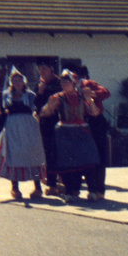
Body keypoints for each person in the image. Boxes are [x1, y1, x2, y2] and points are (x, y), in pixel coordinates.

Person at [40, 69, 102, 203]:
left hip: (82, 132)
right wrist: (49, 105)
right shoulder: (58, 97)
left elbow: (95, 112)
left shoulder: (82, 96)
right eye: (62, 82)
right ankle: (71, 190)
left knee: (89, 160)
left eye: (67, 81)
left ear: (73, 83)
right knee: (67, 163)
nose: (64, 84)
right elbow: (44, 113)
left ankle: (92, 190)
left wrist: (89, 100)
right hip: (65, 132)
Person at [0, 67, 45, 201]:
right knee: (13, 154)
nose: (17, 83)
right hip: (12, 125)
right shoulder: (6, 95)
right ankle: (15, 188)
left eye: (19, 80)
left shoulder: (30, 94)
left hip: (28, 125)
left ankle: (37, 187)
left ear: (24, 81)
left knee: (32, 154)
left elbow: (36, 109)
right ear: (11, 82)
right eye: (14, 80)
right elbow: (0, 111)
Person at [75, 65, 111, 201]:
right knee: (86, 158)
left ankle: (99, 190)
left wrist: (91, 94)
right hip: (80, 123)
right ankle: (90, 189)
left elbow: (106, 92)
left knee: (99, 156)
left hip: (96, 122)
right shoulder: (68, 88)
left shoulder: (88, 84)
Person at [34, 61, 61, 195]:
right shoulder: (39, 85)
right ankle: (51, 184)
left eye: (44, 68)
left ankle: (63, 182)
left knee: (61, 152)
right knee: (49, 153)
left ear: (51, 69)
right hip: (45, 123)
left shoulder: (59, 83)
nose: (41, 72)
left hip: (60, 121)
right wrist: (40, 91)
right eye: (39, 69)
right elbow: (36, 105)